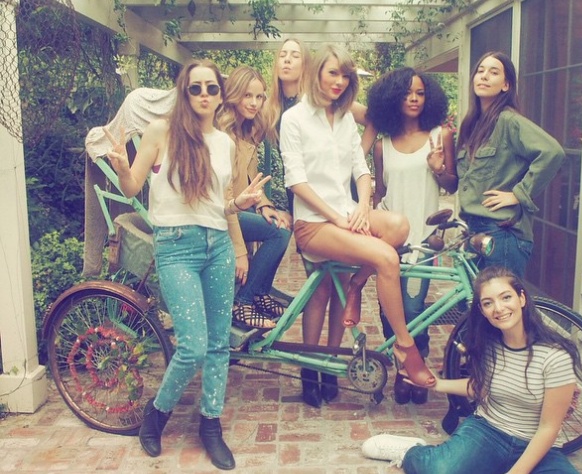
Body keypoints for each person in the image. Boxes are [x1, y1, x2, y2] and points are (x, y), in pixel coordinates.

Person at [105, 59, 270, 471]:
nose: (204, 95)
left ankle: (210, 424)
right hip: (176, 246)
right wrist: (123, 167)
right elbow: (132, 186)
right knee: (193, 345)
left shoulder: (224, 143)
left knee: (218, 344)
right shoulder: (161, 131)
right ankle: (157, 414)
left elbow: (219, 204)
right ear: (184, 91)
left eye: (211, 88)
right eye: (195, 88)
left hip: (217, 245)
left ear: (220, 94)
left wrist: (240, 203)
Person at [279, 44, 437, 397]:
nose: (340, 81)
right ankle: (403, 347)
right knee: (381, 260)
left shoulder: (345, 118)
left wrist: (363, 207)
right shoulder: (295, 118)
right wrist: (337, 218)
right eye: (333, 73)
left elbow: (361, 170)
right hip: (314, 223)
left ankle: (335, 355)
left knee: (399, 226)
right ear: (317, 73)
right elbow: (296, 181)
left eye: (345, 75)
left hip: (347, 213)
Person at [361, 266, 581, 474]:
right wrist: (437, 384)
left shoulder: (556, 356)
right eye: (488, 303)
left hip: (538, 445)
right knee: (439, 470)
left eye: (506, 297)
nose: (499, 308)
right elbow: (482, 388)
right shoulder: (489, 342)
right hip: (489, 432)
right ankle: (411, 451)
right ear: (482, 311)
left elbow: (548, 428)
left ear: (521, 298)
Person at [366, 68, 458, 405]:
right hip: (389, 241)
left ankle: (415, 368)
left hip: (424, 239)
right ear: (393, 99)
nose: (414, 98)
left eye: (420, 92)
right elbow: (380, 193)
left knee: (415, 309)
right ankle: (402, 371)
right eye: (407, 93)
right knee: (388, 310)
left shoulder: (440, 136)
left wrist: (438, 169)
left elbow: (452, 185)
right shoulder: (382, 145)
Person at [455, 51, 565, 277]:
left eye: (493, 72)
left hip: (501, 233)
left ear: (506, 85)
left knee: (503, 299)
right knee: (475, 298)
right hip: (474, 230)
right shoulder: (472, 125)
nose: (484, 76)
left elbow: (552, 152)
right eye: (480, 71)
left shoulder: (509, 120)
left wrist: (518, 194)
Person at [217, 65, 292, 329]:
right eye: (248, 95)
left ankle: (259, 293)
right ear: (234, 94)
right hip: (220, 212)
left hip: (239, 208)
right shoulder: (222, 134)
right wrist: (240, 252)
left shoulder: (247, 130)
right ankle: (245, 301)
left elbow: (250, 180)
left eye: (259, 97)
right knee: (278, 234)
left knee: (279, 225)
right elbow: (226, 194)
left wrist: (264, 205)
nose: (254, 103)